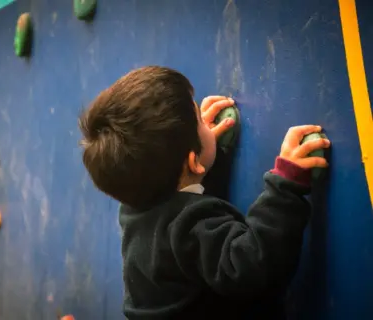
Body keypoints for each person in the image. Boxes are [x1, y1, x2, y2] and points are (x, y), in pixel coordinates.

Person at [78, 66, 331, 319]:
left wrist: (204, 152)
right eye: (199, 119)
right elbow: (253, 266)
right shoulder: (190, 225)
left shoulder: (135, 203)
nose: (205, 122)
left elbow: (184, 193)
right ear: (192, 161)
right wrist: (285, 185)